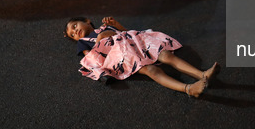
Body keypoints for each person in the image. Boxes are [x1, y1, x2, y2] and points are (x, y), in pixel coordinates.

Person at [64, 16, 220, 98]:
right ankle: (188, 89)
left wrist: (116, 24)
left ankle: (202, 75)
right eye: (72, 34)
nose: (75, 32)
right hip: (120, 55)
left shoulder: (105, 26)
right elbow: (92, 59)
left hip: (134, 42)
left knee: (164, 54)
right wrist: (101, 40)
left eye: (75, 26)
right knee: (151, 70)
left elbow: (126, 31)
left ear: (87, 21)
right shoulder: (83, 43)